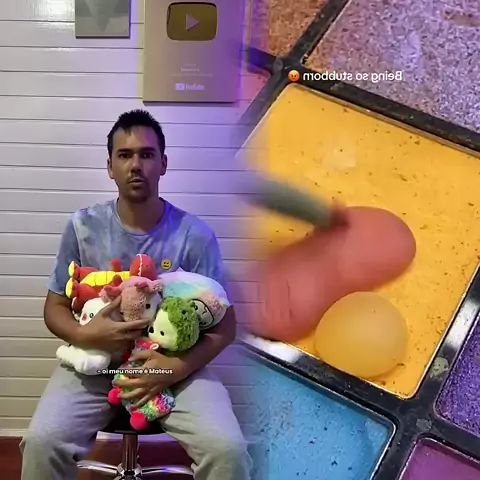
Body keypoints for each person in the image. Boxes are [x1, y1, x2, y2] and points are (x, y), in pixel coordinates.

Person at [20, 109, 252, 480]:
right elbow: (55, 308)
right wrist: (85, 334)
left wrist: (176, 368)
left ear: (163, 164)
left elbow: (225, 326)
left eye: (146, 154)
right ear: (110, 166)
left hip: (173, 364)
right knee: (41, 443)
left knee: (228, 451)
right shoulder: (82, 227)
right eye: (124, 155)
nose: (136, 165)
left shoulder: (194, 235)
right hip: (95, 360)